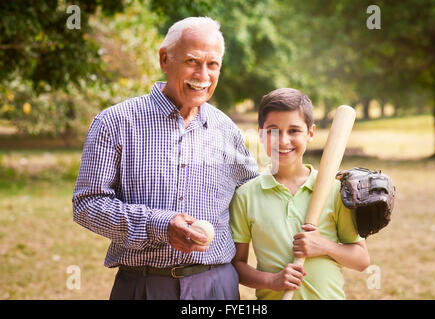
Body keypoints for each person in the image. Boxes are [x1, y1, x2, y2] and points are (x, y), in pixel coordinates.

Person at [72, 17, 259, 300]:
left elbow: (257, 193)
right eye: (192, 61)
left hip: (216, 286)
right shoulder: (115, 123)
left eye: (213, 65)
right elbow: (87, 205)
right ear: (164, 59)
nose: (203, 75)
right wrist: (158, 224)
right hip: (144, 287)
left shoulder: (225, 128)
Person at [229, 88, 370, 300]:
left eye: (294, 130)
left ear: (310, 133)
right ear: (260, 133)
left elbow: (361, 259)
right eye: (273, 130)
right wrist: (273, 281)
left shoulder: (333, 190)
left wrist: (324, 246)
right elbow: (236, 265)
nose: (283, 141)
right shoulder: (246, 195)